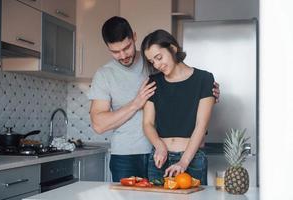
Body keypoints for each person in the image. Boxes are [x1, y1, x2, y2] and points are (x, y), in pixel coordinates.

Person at [88, 16, 220, 182]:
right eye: (115, 52)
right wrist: (136, 104)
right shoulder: (104, 75)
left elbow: (183, 79)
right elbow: (99, 125)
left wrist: (208, 91)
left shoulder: (152, 58)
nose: (122, 55)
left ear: (134, 37)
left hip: (160, 152)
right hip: (127, 155)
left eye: (127, 47)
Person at [141, 29, 216, 185]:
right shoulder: (153, 82)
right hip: (159, 159)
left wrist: (183, 162)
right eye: (152, 61)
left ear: (173, 49)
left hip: (192, 159)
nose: (157, 64)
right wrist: (159, 146)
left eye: (159, 57)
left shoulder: (204, 79)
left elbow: (201, 126)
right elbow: (147, 123)